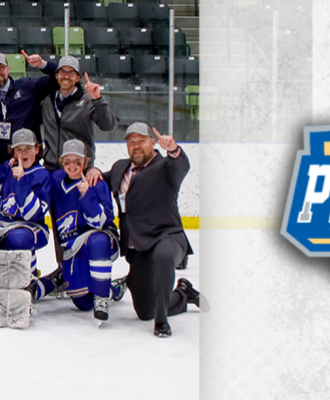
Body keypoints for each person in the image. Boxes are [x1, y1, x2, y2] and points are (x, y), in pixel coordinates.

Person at [86, 122, 206, 337]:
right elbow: (101, 179)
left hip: (167, 236)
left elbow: (181, 166)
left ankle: (161, 323)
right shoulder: (120, 168)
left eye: (142, 141)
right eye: (132, 142)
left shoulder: (166, 166)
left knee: (163, 256)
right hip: (138, 246)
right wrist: (93, 170)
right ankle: (183, 293)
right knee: (144, 311)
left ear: (153, 142)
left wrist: (174, 150)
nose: (136, 146)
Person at [43, 139, 122, 325]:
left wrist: (87, 196)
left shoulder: (96, 183)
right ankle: (114, 288)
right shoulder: (55, 180)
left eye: (77, 161)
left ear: (85, 162)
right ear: (62, 162)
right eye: (68, 161)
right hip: (73, 247)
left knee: (97, 241)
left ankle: (103, 299)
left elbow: (101, 223)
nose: (73, 166)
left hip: (101, 239)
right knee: (83, 302)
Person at [0, 51, 60, 165]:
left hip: (29, 164)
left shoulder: (27, 87)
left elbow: (61, 78)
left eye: (1, 67)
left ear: (8, 69)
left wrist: (43, 64)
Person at [39, 56, 118, 171]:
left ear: (77, 77)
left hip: (79, 170)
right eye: (62, 72)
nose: (66, 76)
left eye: (71, 72)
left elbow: (108, 125)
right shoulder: (47, 101)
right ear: (56, 76)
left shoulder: (88, 100)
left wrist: (98, 99)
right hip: (51, 170)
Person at [0, 129, 51, 274]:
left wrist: (22, 182)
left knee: (18, 238)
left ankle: (28, 279)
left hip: (32, 227)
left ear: (37, 149)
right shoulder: (7, 170)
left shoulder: (42, 175)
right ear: (12, 151)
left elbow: (33, 214)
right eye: (19, 149)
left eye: (28, 148)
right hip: (5, 225)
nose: (23, 154)